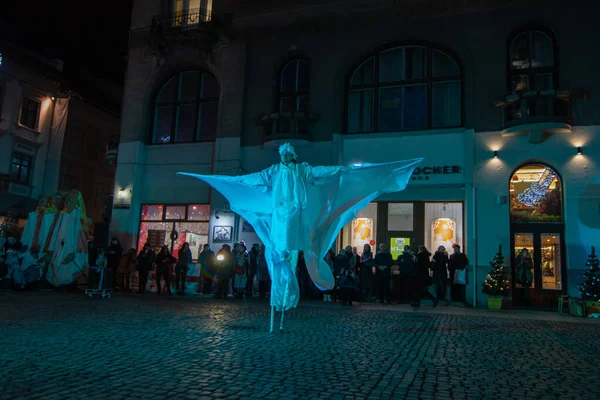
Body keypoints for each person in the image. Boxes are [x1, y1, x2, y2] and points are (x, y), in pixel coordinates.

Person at [179, 143, 421, 331]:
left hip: (298, 217)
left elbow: (323, 172)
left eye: (287, 154)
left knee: (292, 254)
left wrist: (344, 169)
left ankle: (288, 293)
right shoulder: (273, 172)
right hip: (281, 216)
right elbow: (250, 179)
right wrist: (229, 180)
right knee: (279, 255)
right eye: (282, 154)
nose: (284, 157)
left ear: (291, 155)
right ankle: (281, 297)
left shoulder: (303, 170)